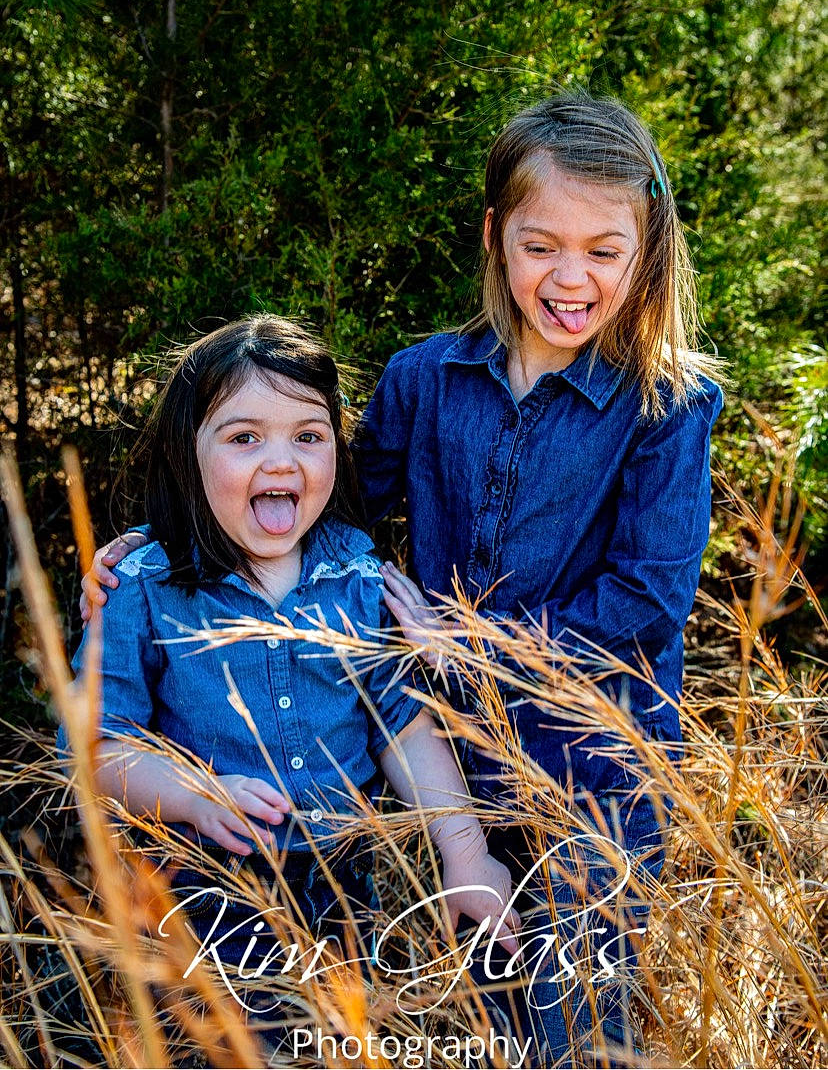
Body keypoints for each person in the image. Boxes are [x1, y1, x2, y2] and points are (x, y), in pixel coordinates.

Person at [81, 92, 724, 1063]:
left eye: (604, 249)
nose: (571, 276)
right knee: (473, 1001)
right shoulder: (426, 378)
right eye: (542, 243)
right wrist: (159, 541)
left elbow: (645, 600)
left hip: (595, 765)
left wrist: (465, 641)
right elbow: (321, 504)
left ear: (649, 252)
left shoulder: (664, 404)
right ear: (496, 234)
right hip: (455, 757)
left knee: (574, 1013)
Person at [63, 316, 518, 1031]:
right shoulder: (143, 585)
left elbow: (399, 725)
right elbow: (93, 747)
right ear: (190, 452)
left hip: (345, 883)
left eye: (308, 435)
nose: (282, 461)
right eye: (245, 438)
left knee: (339, 1039)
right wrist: (191, 792)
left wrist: (466, 854)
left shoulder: (358, 578)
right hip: (203, 886)